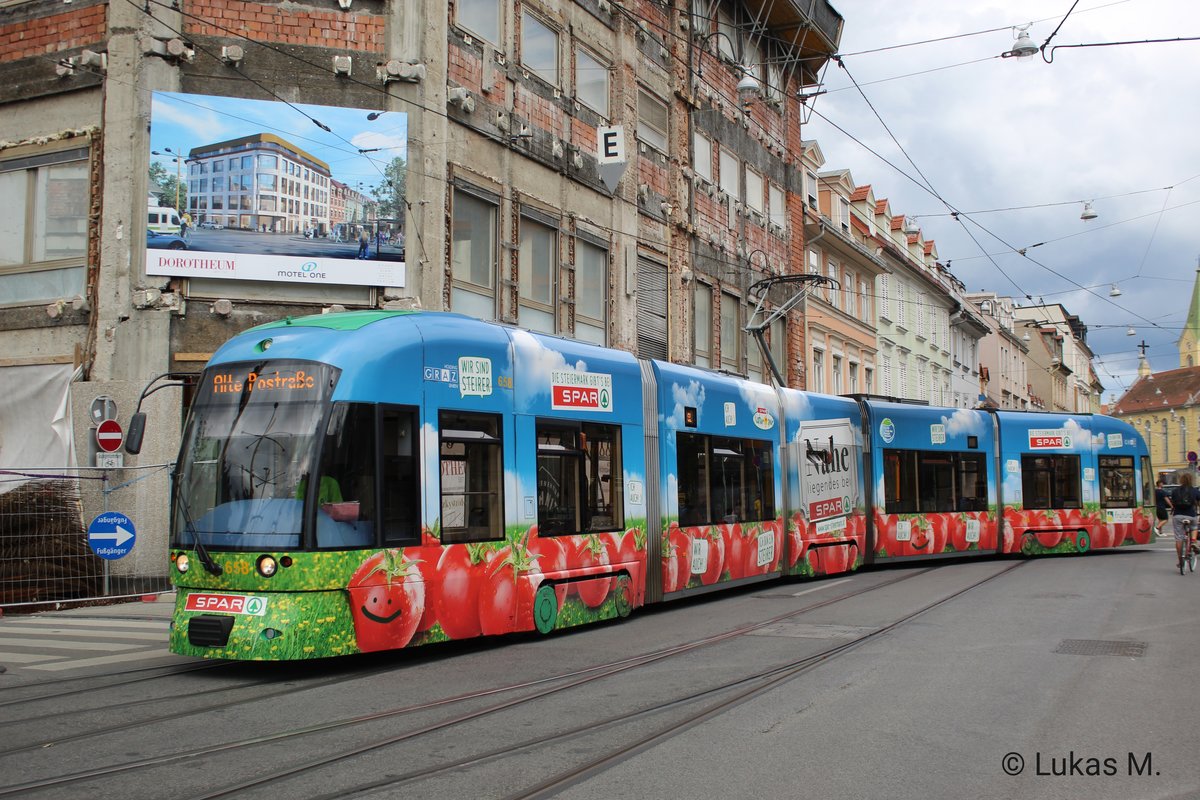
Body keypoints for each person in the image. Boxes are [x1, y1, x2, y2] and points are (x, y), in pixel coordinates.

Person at [1170, 474, 1198, 567]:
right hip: (1191, 515)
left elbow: (1173, 502)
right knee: (1194, 527)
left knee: (1179, 538)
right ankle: (1193, 541)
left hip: (1177, 516)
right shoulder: (1195, 491)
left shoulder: (1175, 491)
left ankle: (1180, 560)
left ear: (1181, 480)